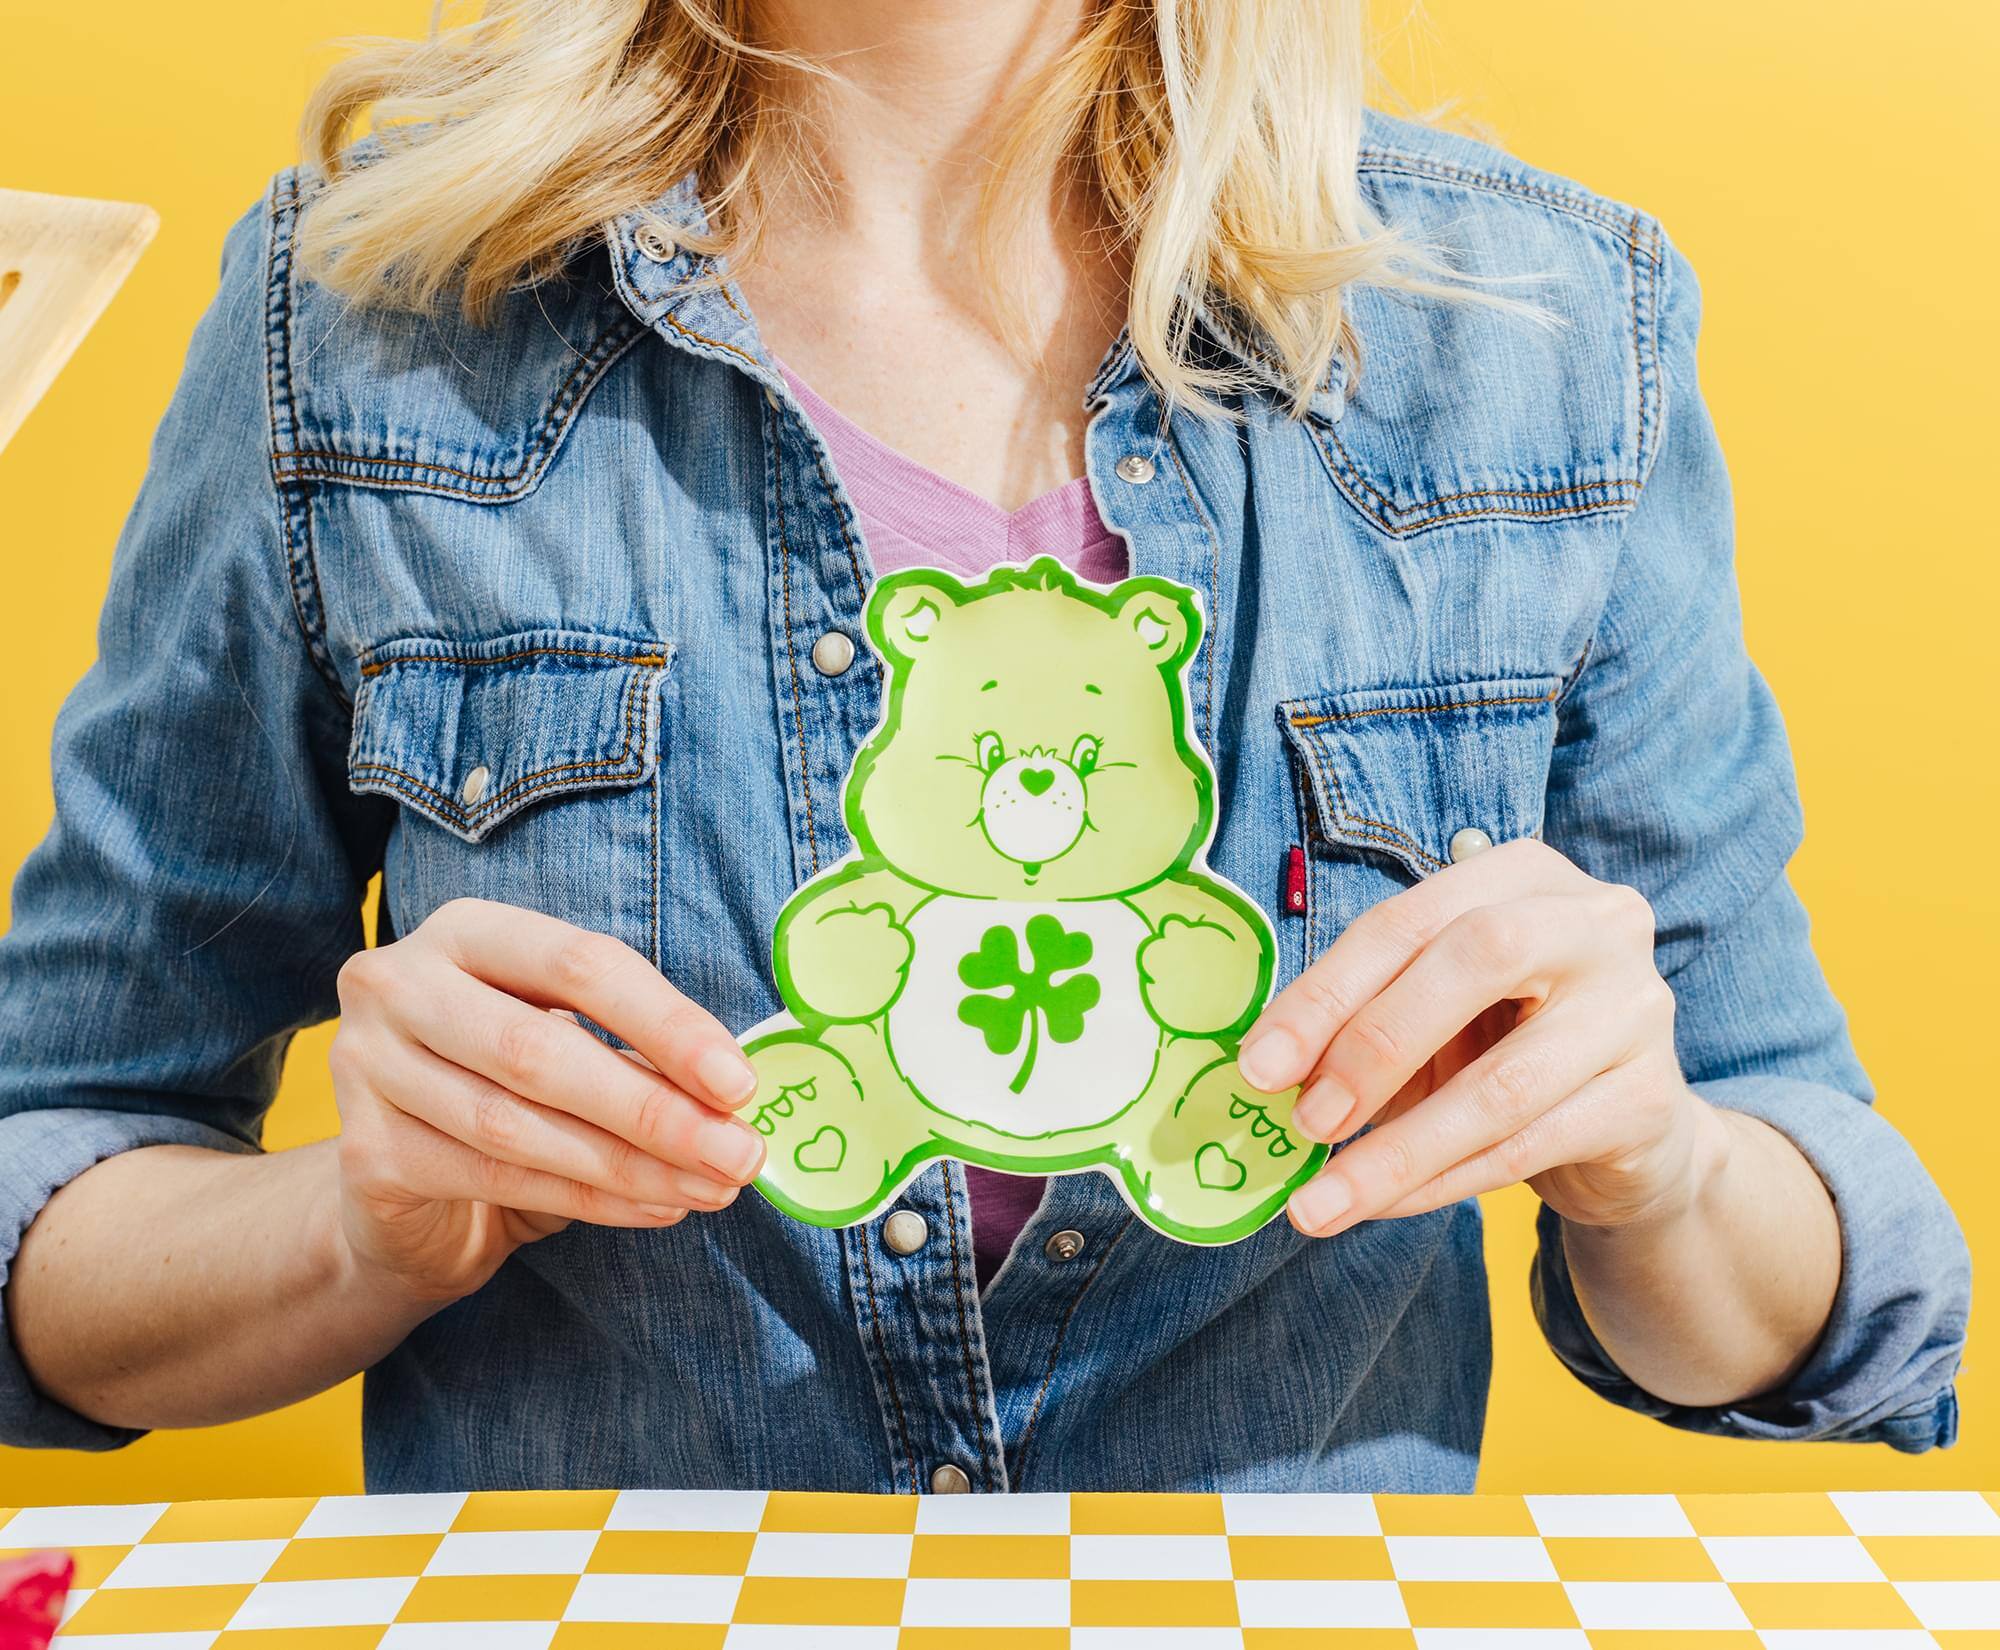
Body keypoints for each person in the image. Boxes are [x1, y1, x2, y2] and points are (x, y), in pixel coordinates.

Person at [0, 0, 1968, 1493]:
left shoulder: (1542, 329)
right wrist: (357, 1230)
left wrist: (1659, 1161)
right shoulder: (357, 313)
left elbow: (1832, 1327)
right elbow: (50, 1220)